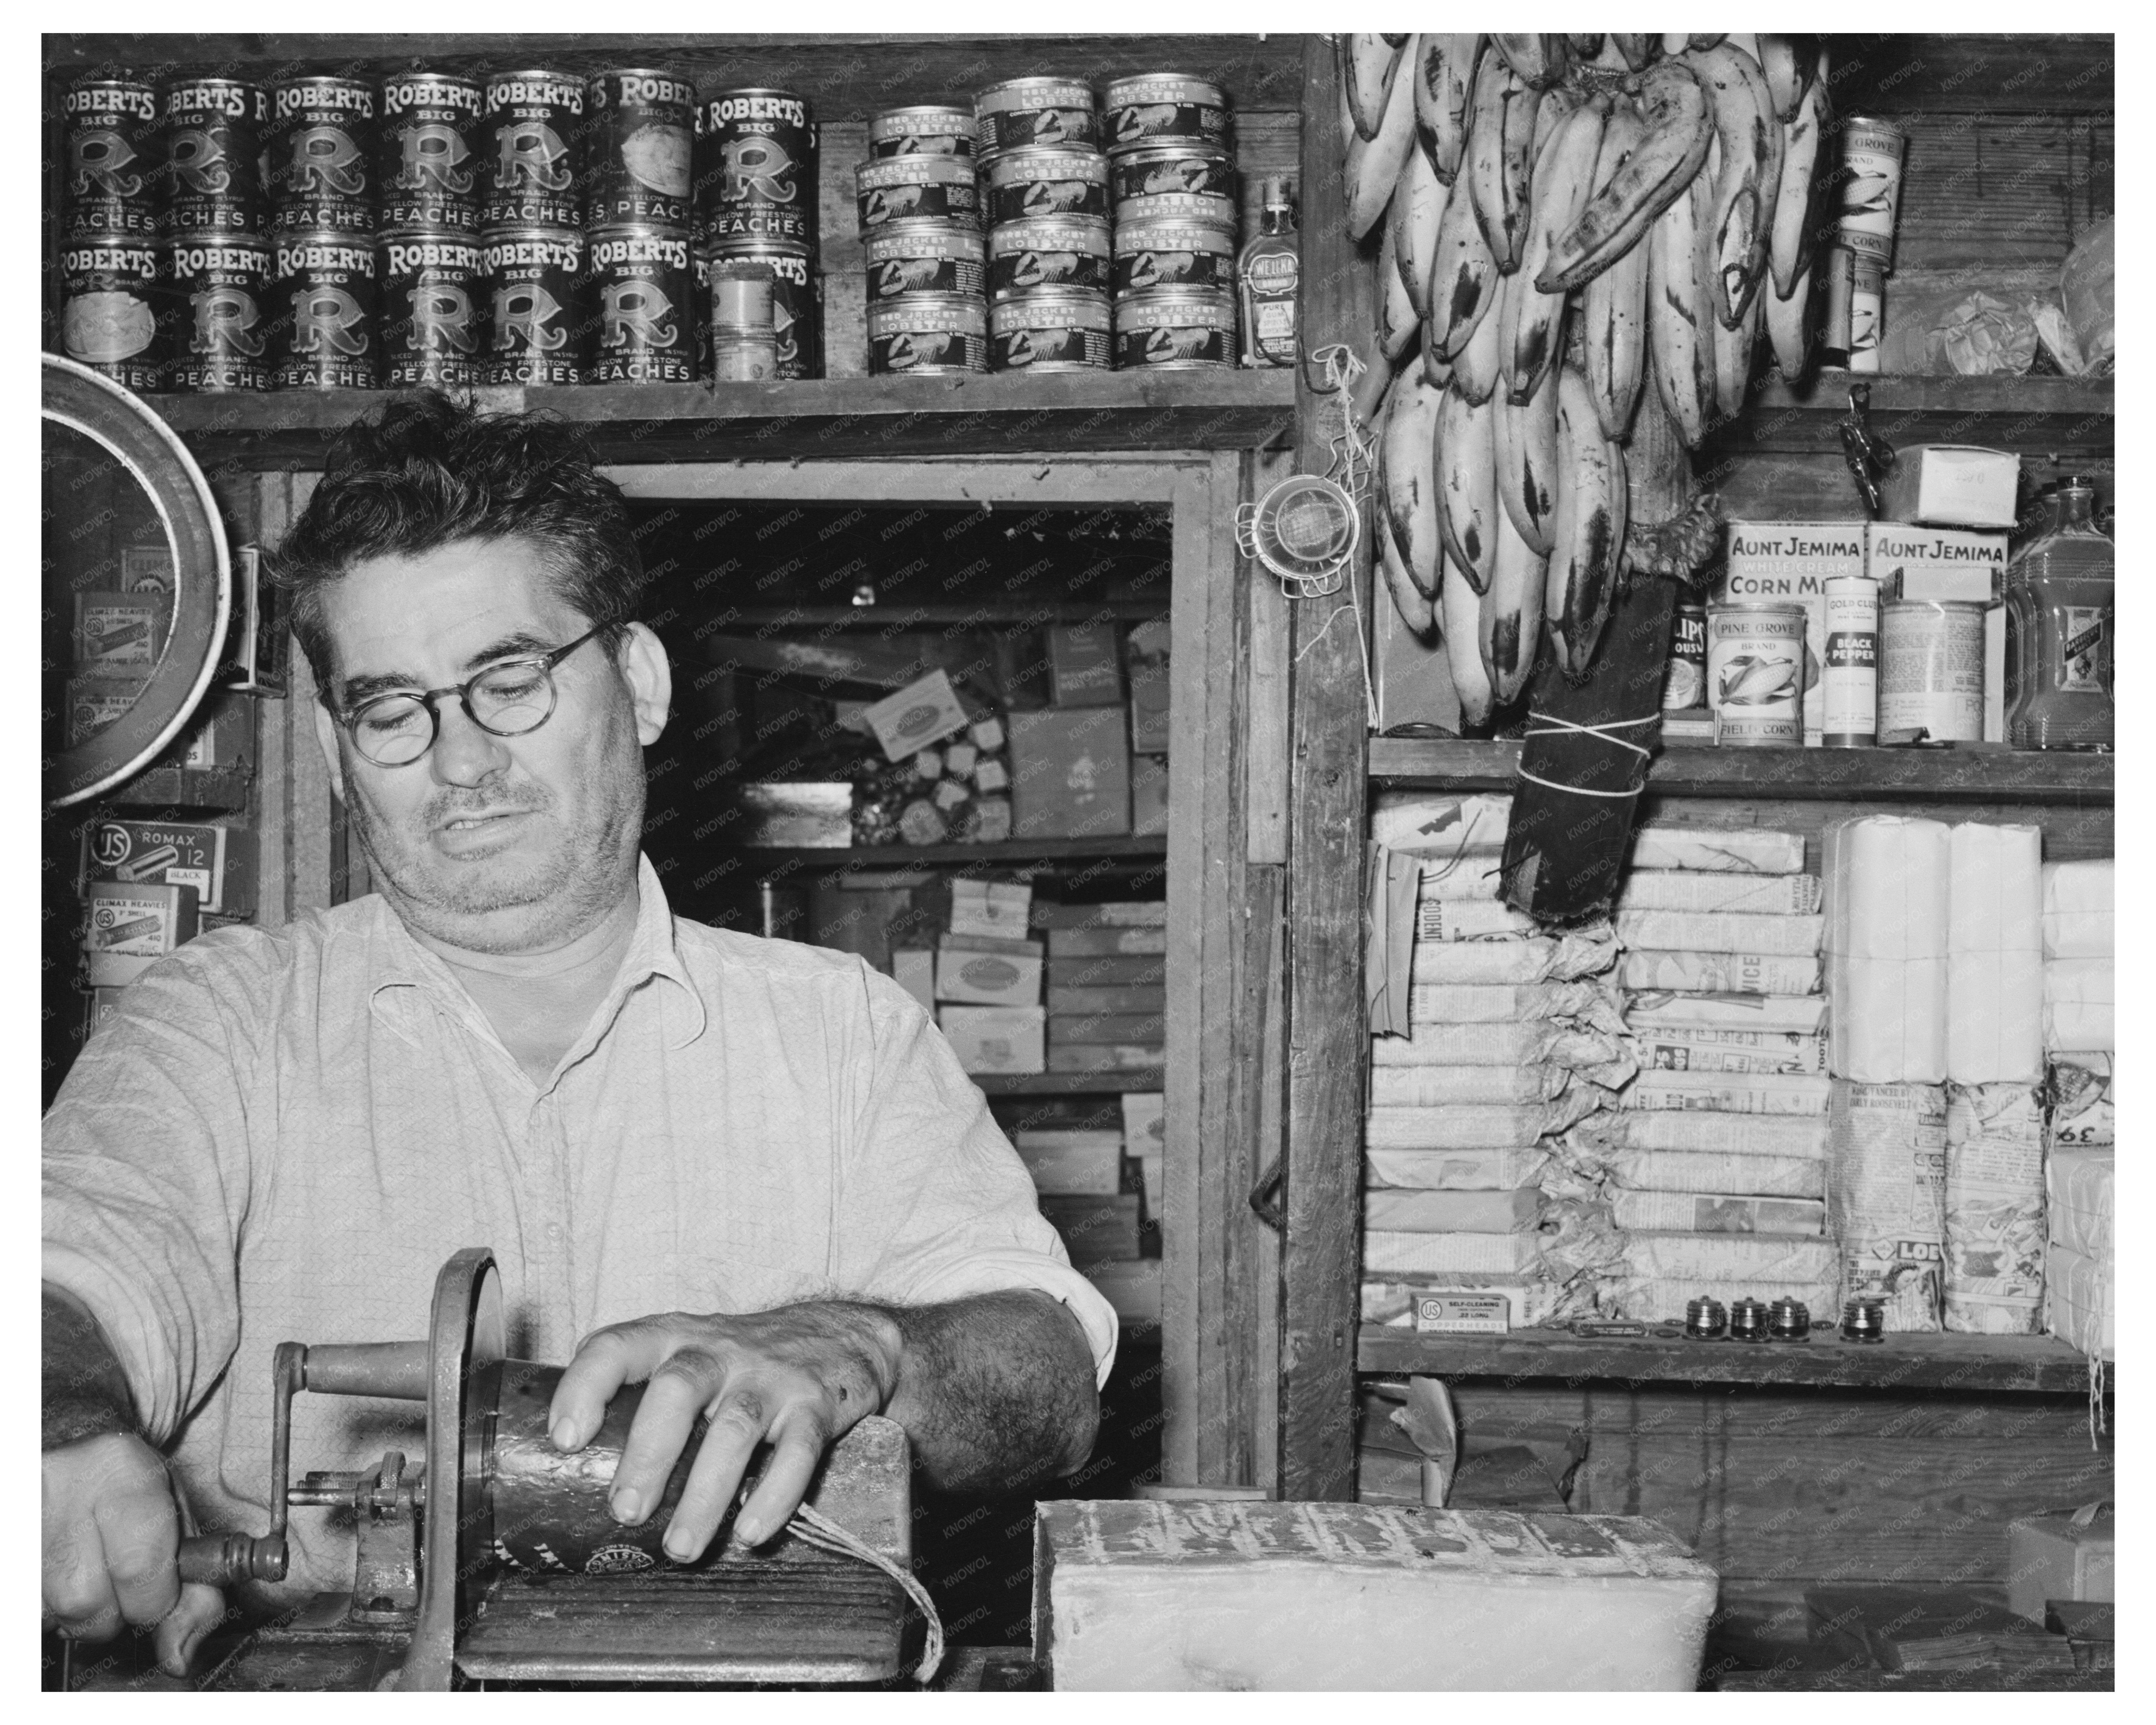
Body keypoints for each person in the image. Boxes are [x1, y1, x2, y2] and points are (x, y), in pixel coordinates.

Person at [42, 392, 1114, 1675]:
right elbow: (74, 1260)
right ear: (336, 753)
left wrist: (864, 1344)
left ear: (641, 682)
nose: (459, 762)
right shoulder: (215, 1024)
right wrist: (55, 1417)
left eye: (510, 683)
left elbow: (1050, 1386)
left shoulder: (841, 1034)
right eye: (392, 711)